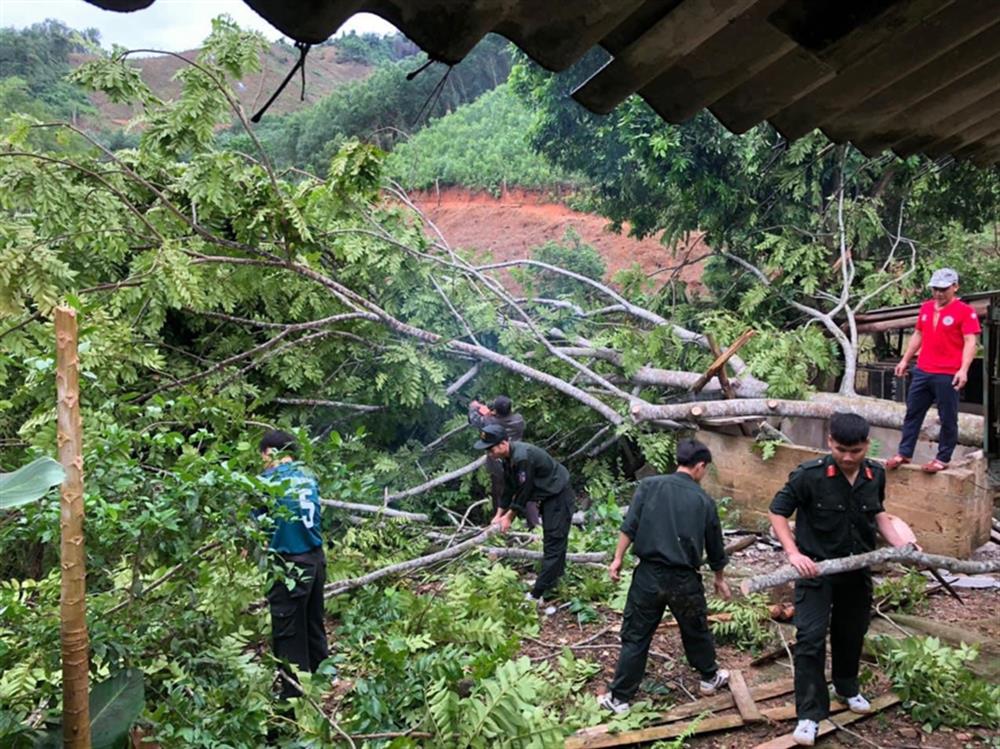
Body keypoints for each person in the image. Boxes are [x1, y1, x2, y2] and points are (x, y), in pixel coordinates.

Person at [769, 413, 915, 746]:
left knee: (851, 632)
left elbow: (877, 513)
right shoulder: (809, 476)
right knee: (810, 638)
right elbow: (778, 511)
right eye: (840, 449)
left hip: (856, 570)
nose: (848, 457)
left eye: (855, 450)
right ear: (829, 441)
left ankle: (847, 687)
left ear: (867, 444)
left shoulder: (875, 473)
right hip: (815, 571)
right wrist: (793, 553)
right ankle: (809, 713)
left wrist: (901, 544)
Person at [597, 439, 731, 715]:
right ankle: (709, 678)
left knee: (636, 635)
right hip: (684, 579)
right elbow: (715, 546)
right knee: (695, 629)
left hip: (647, 575)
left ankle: (619, 698)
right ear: (700, 466)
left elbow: (629, 525)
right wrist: (719, 577)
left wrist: (617, 559)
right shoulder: (703, 500)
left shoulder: (649, 486)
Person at [255, 430, 329, 699]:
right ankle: (323, 684)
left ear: (269, 453)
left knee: (288, 635)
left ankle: (294, 698)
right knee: (313, 624)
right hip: (316, 560)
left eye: (262, 456)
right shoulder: (307, 477)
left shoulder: (267, 481)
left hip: (290, 565)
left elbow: (255, 525)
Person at [887, 268, 981, 473]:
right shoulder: (926, 308)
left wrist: (963, 369)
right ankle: (904, 452)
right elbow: (918, 334)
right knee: (913, 412)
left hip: (948, 372)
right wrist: (905, 360)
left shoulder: (965, 311)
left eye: (943, 289)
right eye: (935, 289)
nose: (938, 293)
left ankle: (943, 457)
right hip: (923, 369)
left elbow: (970, 341)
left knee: (948, 416)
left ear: (955, 287)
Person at [474, 423, 575, 610]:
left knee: (554, 544)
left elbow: (524, 491)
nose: (489, 453)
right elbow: (509, 488)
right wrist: (498, 515)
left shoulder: (522, 458)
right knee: (553, 544)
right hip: (548, 497)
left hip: (558, 496)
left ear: (503, 443)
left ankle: (536, 594)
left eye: (491, 448)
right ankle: (551, 584)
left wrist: (509, 517)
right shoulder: (507, 458)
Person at [468, 395, 539, 528]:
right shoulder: (518, 420)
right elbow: (498, 417)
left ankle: (499, 524)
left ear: (496, 411)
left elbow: (474, 420)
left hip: (498, 464)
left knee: (500, 493)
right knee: (526, 492)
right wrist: (490, 413)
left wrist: (474, 407)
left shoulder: (489, 421)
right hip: (518, 460)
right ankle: (535, 526)